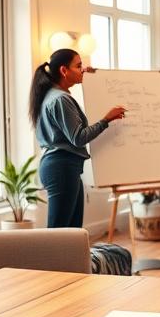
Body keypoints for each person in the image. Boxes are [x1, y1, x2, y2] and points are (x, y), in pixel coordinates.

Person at [29, 48, 126, 228]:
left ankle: (70, 258)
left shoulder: (54, 95)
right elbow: (78, 138)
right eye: (78, 65)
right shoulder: (61, 99)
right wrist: (107, 119)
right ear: (64, 71)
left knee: (72, 231)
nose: (83, 69)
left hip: (63, 167)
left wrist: (93, 77)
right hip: (61, 168)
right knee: (59, 233)